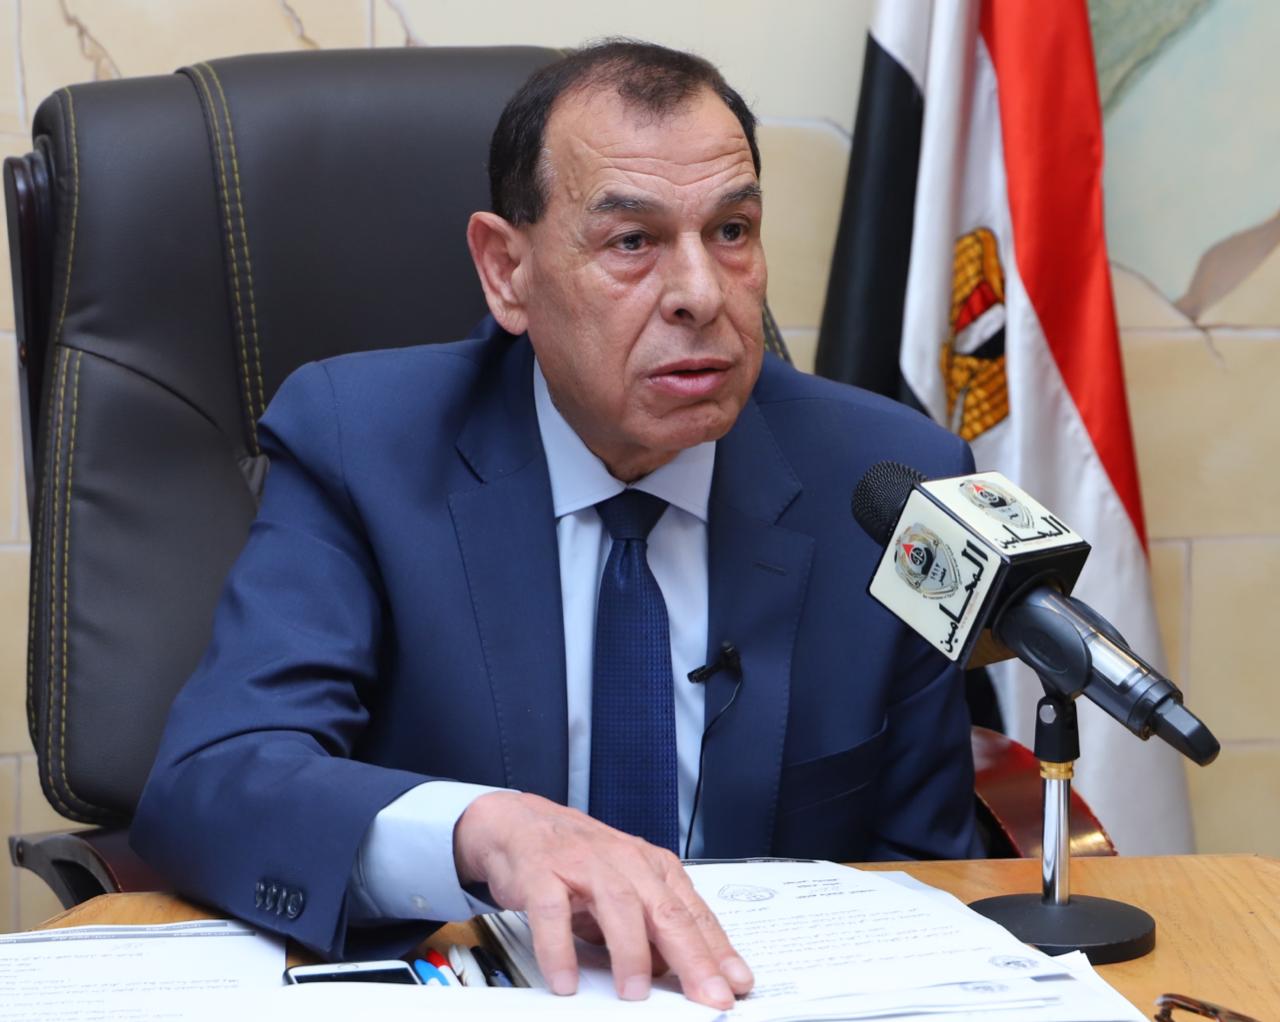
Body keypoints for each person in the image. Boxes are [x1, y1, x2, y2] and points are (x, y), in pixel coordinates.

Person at [131, 39, 982, 1011]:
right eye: (632, 242)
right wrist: (481, 831)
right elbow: (217, 776)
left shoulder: (887, 486)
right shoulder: (362, 447)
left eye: (731, 230)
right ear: (506, 270)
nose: (701, 293)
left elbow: (928, 874)